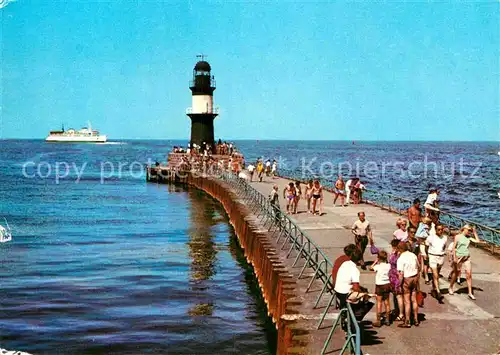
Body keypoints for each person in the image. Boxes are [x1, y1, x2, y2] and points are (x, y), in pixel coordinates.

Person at [449, 225, 484, 299]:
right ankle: (451, 287)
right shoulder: (458, 236)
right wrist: (454, 257)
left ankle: (470, 292)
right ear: (464, 229)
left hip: (467, 257)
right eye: (469, 230)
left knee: (469, 275)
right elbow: (454, 248)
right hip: (459, 257)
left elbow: (477, 241)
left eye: (470, 231)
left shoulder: (469, 238)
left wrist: (474, 232)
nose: (469, 232)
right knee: (456, 273)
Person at [397, 242, 420, 328]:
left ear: (400, 249)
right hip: (414, 277)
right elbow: (418, 266)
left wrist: (399, 284)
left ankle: (407, 321)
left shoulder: (401, 259)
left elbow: (401, 274)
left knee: (407, 301)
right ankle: (416, 319)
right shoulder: (413, 255)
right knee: (414, 300)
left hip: (407, 279)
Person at [333, 244, 362, 311]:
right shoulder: (355, 270)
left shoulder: (345, 263)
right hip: (345, 293)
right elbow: (356, 287)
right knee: (363, 298)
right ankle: (354, 317)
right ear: (359, 260)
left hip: (337, 289)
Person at [369, 250, 392, 327]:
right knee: (387, 302)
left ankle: (378, 321)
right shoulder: (389, 266)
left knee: (379, 302)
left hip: (379, 285)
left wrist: (375, 262)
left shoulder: (378, 266)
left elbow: (370, 268)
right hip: (387, 284)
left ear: (379, 258)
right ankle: (388, 319)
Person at [426, 224, 447, 302]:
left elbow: (444, 246)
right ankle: (438, 292)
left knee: (437, 274)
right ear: (435, 229)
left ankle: (434, 289)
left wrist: (442, 252)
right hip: (432, 256)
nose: (440, 231)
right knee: (435, 275)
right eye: (438, 229)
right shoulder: (431, 238)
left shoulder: (444, 238)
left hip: (440, 257)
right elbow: (426, 246)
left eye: (441, 229)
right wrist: (427, 255)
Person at [388, 239, 405, 322]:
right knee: (395, 295)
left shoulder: (399, 255)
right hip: (393, 277)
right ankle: (397, 310)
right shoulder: (396, 254)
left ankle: (401, 314)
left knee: (399, 296)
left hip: (396, 277)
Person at [416, 217, 432, 284]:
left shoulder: (429, 227)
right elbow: (418, 235)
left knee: (427, 260)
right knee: (425, 258)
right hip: (423, 244)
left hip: (428, 245)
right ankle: (426, 276)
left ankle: (424, 271)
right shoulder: (422, 226)